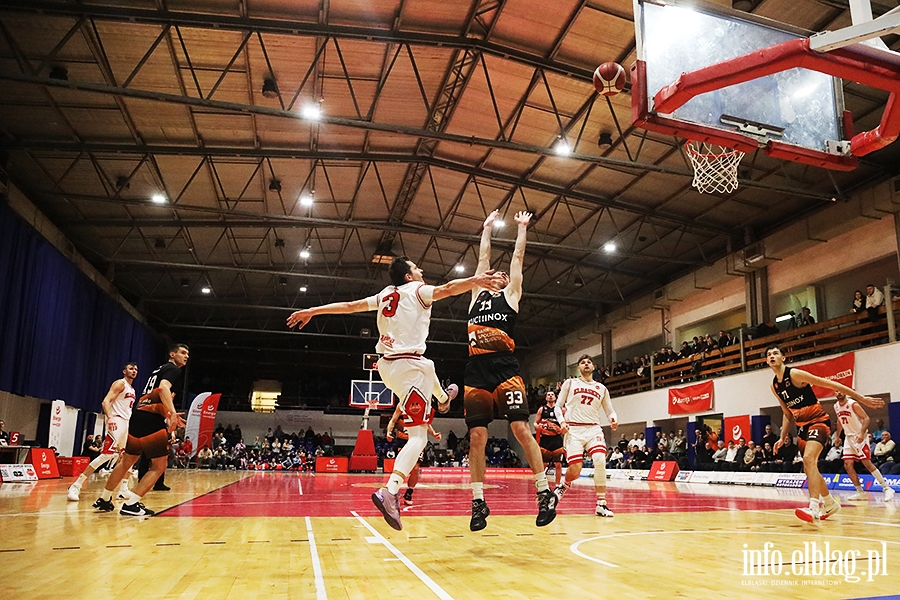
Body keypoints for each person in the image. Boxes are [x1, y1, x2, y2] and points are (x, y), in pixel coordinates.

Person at [287, 256, 505, 531]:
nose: (421, 270)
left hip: (391, 367)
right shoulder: (418, 290)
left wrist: (313, 310)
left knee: (429, 366)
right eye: (416, 268)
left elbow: (350, 306)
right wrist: (476, 280)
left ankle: (442, 397)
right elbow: (448, 288)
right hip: (408, 367)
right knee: (418, 438)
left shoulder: (386, 294)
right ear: (409, 277)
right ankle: (390, 491)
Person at [464, 210, 558, 531]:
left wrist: (521, 228)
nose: (499, 275)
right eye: (495, 274)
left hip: (505, 369)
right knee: (477, 436)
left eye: (503, 275)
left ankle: (544, 493)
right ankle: (478, 502)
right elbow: (482, 257)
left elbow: (518, 258)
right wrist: (487, 228)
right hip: (476, 371)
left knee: (521, 430)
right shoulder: (476, 294)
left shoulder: (512, 295)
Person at [766, 344, 884, 522]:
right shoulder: (774, 386)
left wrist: (861, 398)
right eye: (769, 355)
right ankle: (830, 502)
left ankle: (814, 507)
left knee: (808, 460)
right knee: (809, 468)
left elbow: (831, 384)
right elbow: (787, 413)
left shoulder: (795, 374)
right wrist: (782, 437)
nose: (772, 356)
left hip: (818, 421)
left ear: (784, 358)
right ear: (767, 361)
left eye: (775, 353)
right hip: (802, 427)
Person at [92, 344, 189, 517]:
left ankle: (104, 499)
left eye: (188, 354)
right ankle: (131, 504)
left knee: (127, 461)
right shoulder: (173, 370)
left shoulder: (157, 369)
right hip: (151, 418)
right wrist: (172, 414)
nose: (186, 356)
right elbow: (163, 389)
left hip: (137, 416)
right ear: (172, 354)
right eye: (183, 352)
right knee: (159, 466)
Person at [553, 354, 618, 517]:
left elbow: (609, 410)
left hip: (593, 429)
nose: (586, 364)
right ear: (579, 368)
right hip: (573, 429)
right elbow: (557, 406)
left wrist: (613, 419)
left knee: (600, 460)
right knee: (575, 469)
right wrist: (561, 422)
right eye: (582, 362)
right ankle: (564, 484)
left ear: (594, 367)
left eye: (589, 362)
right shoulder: (570, 383)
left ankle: (601, 504)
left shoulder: (601, 388)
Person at [68, 362, 139, 502]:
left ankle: (123, 489)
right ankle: (76, 485)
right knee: (107, 455)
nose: (134, 371)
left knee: (127, 457)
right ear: (124, 371)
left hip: (127, 422)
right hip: (117, 420)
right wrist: (110, 417)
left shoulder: (132, 389)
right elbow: (106, 401)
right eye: (131, 368)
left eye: (136, 369)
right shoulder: (120, 383)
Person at [833, 391, 894, 502]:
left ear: (845, 392)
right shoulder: (836, 406)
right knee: (847, 464)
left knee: (867, 463)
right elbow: (839, 421)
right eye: (836, 391)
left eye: (840, 390)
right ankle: (860, 492)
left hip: (859, 435)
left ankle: (887, 488)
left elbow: (866, 418)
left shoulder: (853, 404)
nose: (838, 393)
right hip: (848, 437)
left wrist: (861, 433)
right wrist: (838, 436)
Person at [385, 403, 442, 506]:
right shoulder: (402, 405)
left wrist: (433, 433)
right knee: (402, 467)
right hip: (404, 441)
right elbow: (393, 420)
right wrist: (389, 431)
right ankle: (393, 490)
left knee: (415, 468)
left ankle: (409, 493)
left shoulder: (422, 404)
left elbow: (426, 423)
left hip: (418, 441)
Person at [534, 390, 565, 487]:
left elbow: (567, 422)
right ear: (546, 398)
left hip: (557, 439)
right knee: (544, 464)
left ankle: (557, 484)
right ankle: (542, 483)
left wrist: (562, 429)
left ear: (555, 397)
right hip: (545, 439)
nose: (550, 396)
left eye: (552, 394)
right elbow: (535, 423)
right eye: (548, 395)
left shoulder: (560, 410)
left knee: (558, 464)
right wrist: (538, 427)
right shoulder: (542, 410)